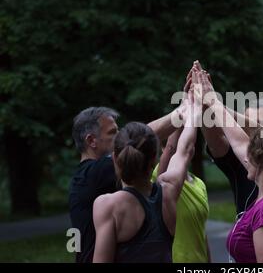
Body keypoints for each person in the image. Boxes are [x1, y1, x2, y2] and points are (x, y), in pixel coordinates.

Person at [196, 61, 263, 261]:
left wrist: (214, 101)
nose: (245, 153)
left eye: (251, 148)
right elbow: (237, 143)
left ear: (260, 159)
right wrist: (208, 101)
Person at [92, 94, 199, 262]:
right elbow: (186, 149)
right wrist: (192, 110)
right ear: (155, 159)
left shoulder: (107, 205)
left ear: (114, 158)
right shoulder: (168, 192)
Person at [69, 106, 182, 263]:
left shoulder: (92, 176)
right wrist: (183, 111)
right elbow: (139, 139)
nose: (119, 138)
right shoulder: (94, 173)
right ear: (91, 141)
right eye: (112, 133)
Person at [152, 128, 210, 263]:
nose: (184, 147)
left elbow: (201, 231)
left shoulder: (199, 183)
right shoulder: (161, 176)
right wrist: (183, 115)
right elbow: (171, 148)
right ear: (163, 148)